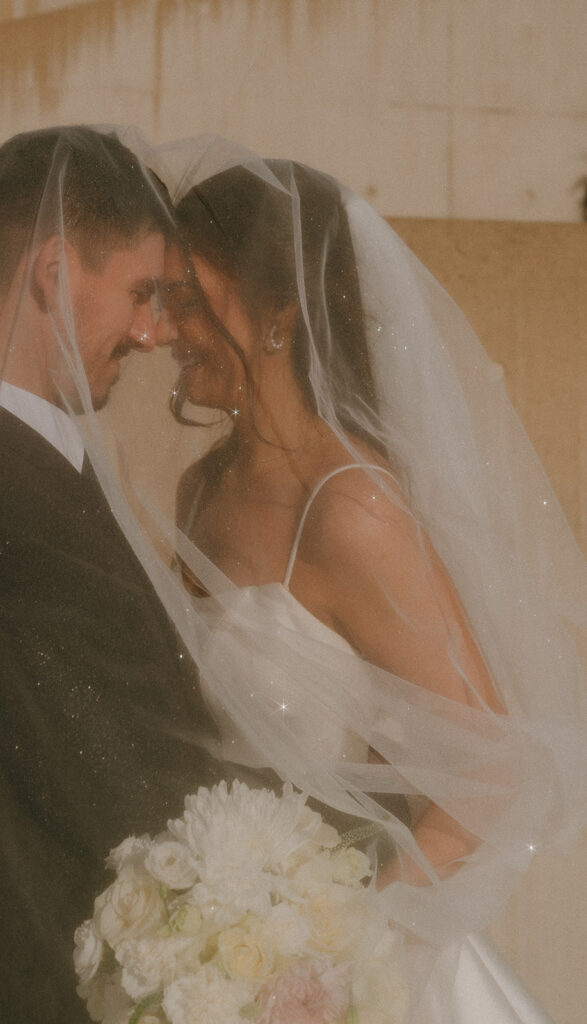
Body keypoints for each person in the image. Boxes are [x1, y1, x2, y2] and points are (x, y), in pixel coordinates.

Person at [139, 151, 587, 1021]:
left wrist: (340, 943)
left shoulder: (351, 511)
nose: (162, 329)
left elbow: (490, 769)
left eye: (188, 297)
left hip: (350, 967)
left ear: (277, 316)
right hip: (228, 945)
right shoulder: (204, 489)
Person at [0, 127, 228, 1023]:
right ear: (51, 273)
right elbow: (124, 773)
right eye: (140, 293)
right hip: (42, 987)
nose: (153, 332)